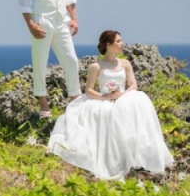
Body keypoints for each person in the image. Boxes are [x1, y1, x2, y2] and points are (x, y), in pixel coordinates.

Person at [48, 30, 174, 180]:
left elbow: (133, 84)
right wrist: (104, 97)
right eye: (118, 41)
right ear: (108, 45)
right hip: (103, 98)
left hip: (122, 97)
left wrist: (122, 94)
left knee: (139, 100)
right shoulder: (96, 66)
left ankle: (141, 154)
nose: (122, 44)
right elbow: (88, 90)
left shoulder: (125, 64)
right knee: (105, 114)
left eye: (121, 41)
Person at [18, 0, 82, 118]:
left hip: (62, 20)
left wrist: (74, 18)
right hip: (41, 21)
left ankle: (74, 100)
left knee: (71, 60)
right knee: (40, 62)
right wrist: (31, 25)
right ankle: (43, 104)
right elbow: (24, 2)